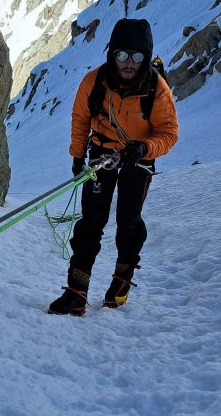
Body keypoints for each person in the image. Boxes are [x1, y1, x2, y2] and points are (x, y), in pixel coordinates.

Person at [48, 18, 179, 316]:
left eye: (137, 56)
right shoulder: (94, 82)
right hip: (103, 152)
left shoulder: (156, 90)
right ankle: (76, 292)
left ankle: (121, 282)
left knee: (129, 221)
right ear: (112, 55)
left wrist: (145, 148)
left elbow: (168, 133)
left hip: (139, 157)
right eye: (122, 55)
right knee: (91, 221)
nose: (129, 63)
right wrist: (77, 156)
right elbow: (80, 119)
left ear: (146, 57)